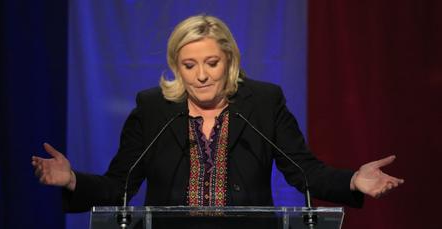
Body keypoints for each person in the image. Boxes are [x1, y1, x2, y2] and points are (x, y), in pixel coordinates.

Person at [32, 15, 403, 213]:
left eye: (211, 62)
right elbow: (119, 186)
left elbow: (304, 170)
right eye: (189, 65)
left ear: (229, 61)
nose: (202, 75)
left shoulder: (262, 102)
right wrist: (73, 181)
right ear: (176, 66)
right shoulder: (153, 108)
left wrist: (353, 180)